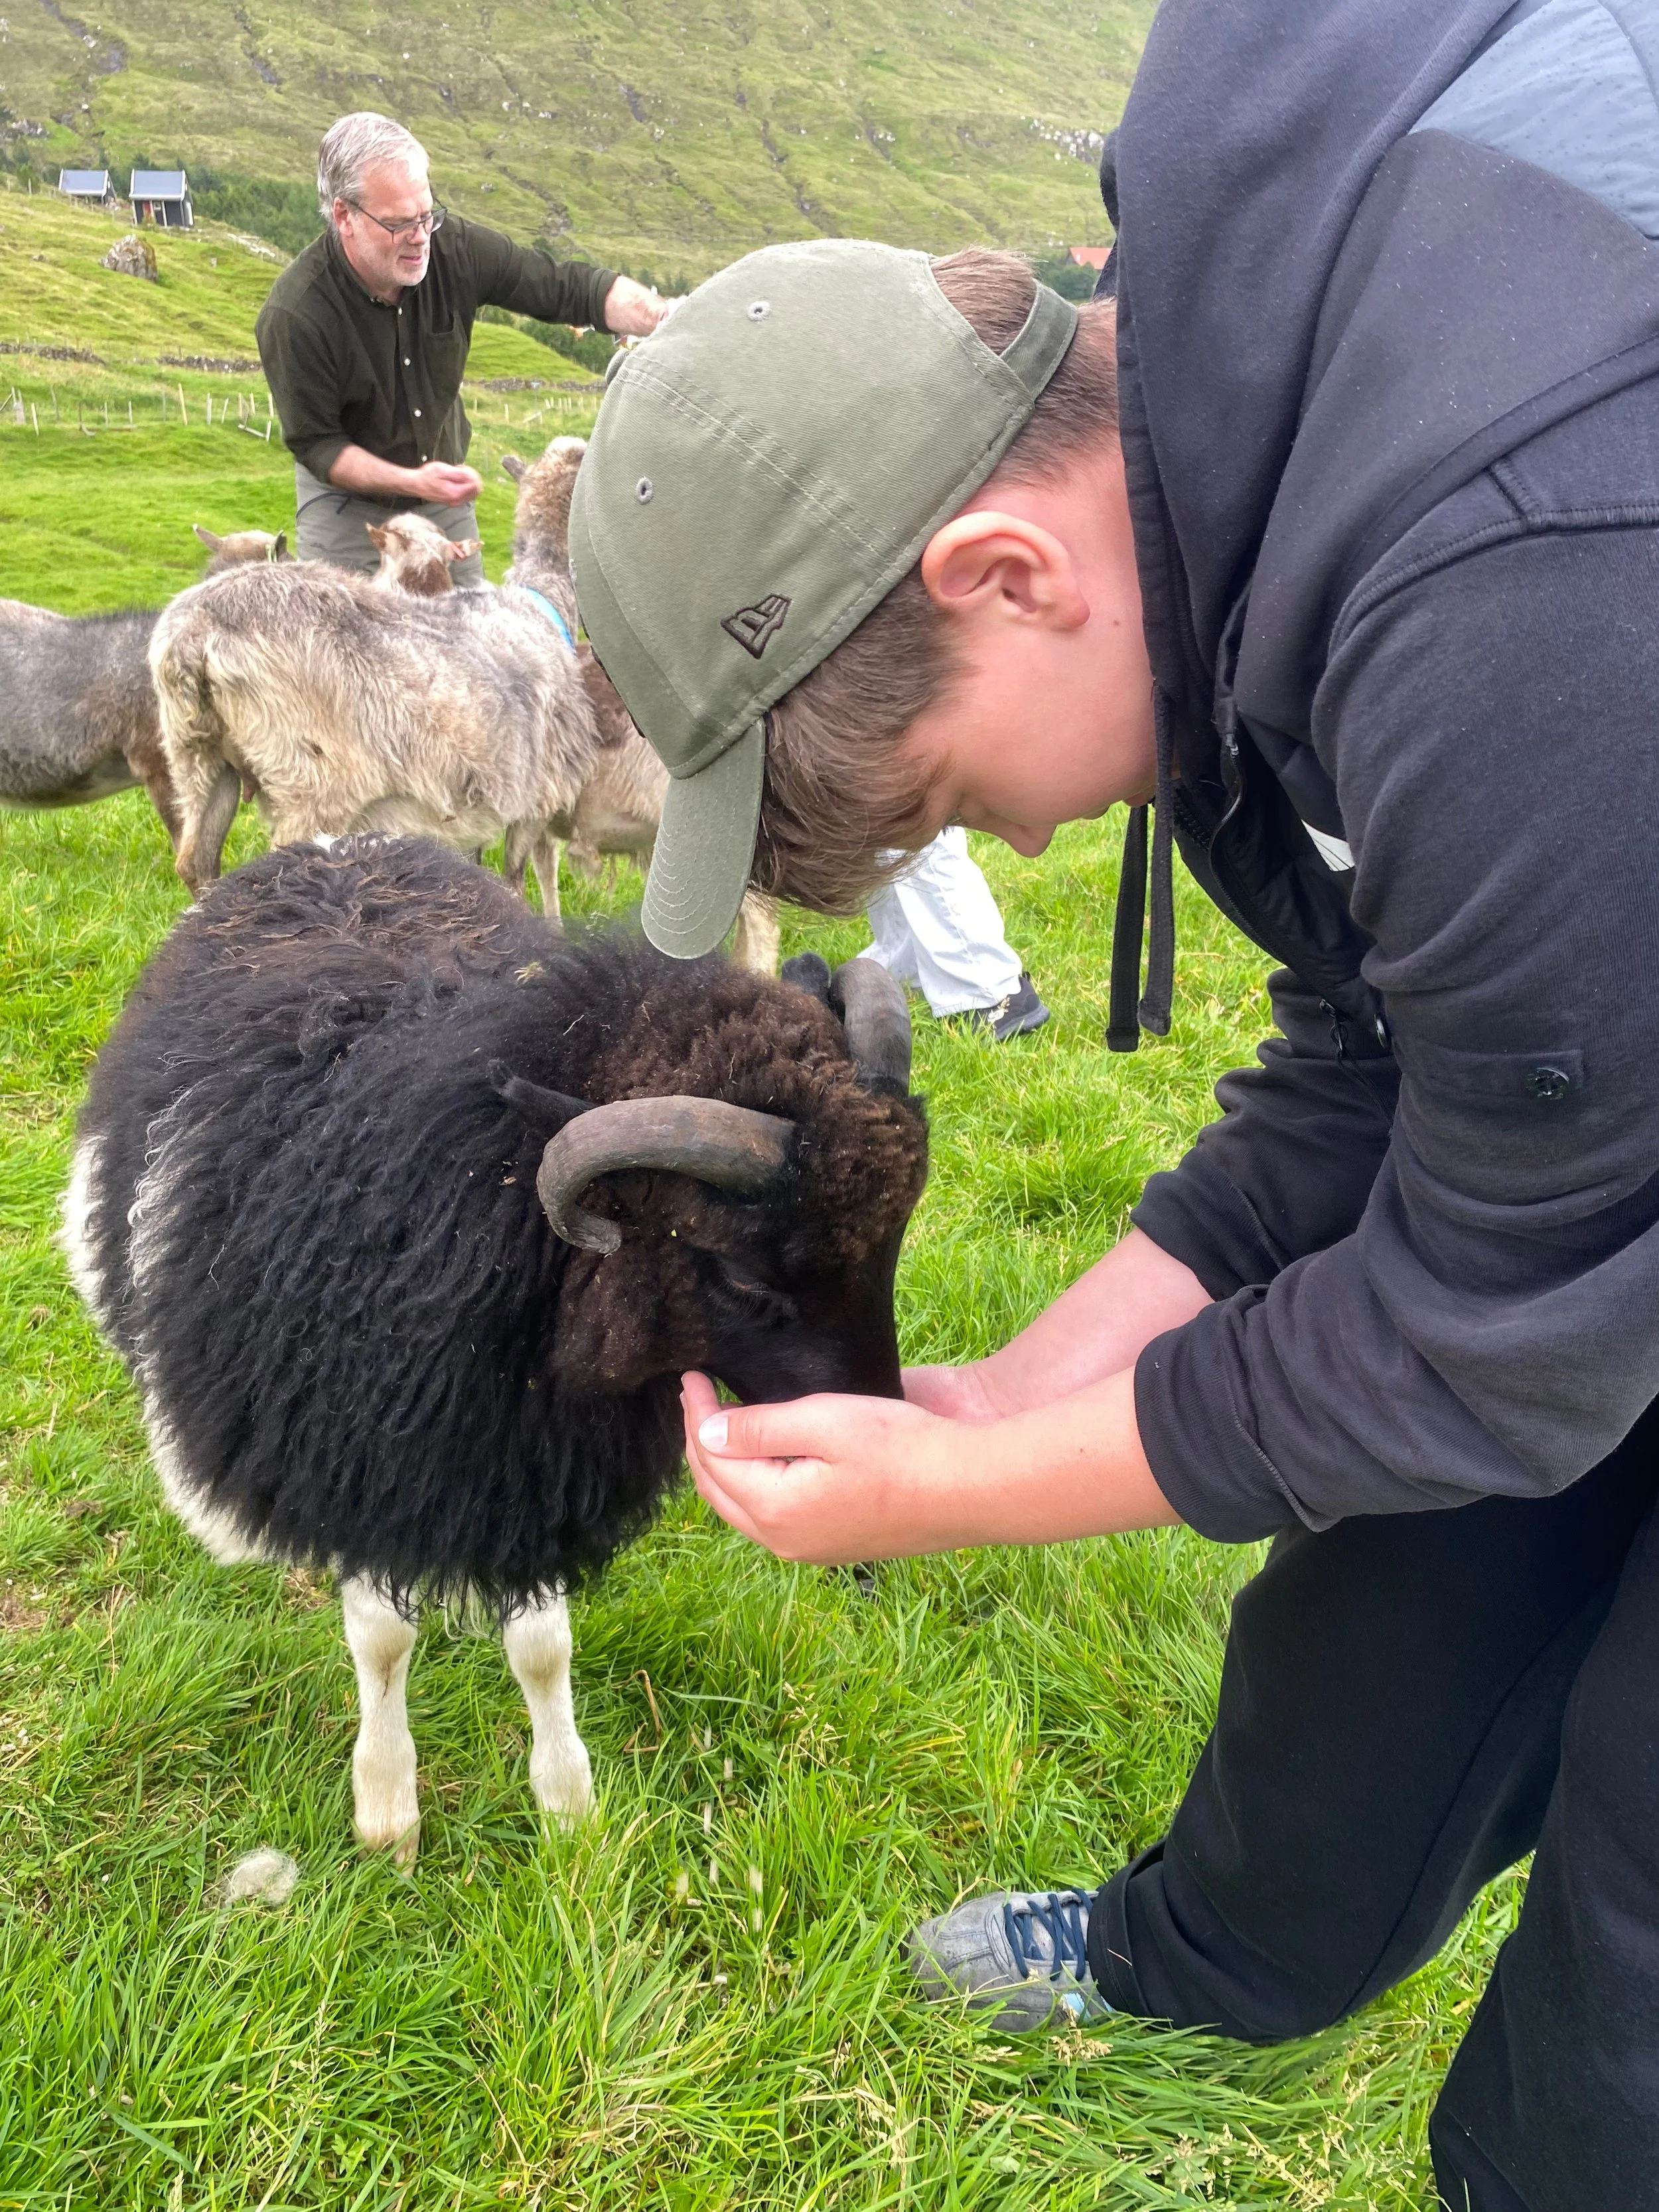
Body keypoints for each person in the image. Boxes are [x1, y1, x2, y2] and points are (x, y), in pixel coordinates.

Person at [563, 5, 1659, 2202]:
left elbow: (1489, 1335)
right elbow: (1375, 1050)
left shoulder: (1511, 580)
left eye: (953, 798)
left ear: (1004, 571)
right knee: (1379, 1626)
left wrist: (970, 1493)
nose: (1029, 845)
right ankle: (1206, 1955)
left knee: (1627, 1959)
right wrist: (1018, 1390)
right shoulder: (1243, 451)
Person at [256, 111, 668, 583]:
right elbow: (320, 445)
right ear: (344, 216)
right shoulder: (295, 315)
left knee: (471, 627)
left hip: (442, 495)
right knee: (346, 626)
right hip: (345, 506)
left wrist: (665, 317)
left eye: (426, 215)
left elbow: (566, 287)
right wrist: (412, 481)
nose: (420, 238)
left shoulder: (453, 248)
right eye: (399, 224)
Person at [866, 828, 1048, 1039]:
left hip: (988, 991)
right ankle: (908, 969)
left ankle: (988, 991)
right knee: (877, 822)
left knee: (911, 823)